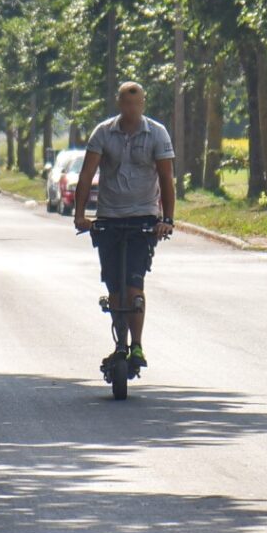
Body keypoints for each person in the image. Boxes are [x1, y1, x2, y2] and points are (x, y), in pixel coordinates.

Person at [73, 81, 175, 369]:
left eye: (136, 103)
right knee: (114, 288)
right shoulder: (103, 133)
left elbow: (166, 178)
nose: (131, 109)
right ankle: (120, 344)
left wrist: (166, 219)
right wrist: (80, 215)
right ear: (119, 104)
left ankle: (137, 345)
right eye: (126, 103)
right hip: (109, 218)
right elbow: (87, 174)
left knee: (133, 285)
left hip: (143, 218)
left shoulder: (157, 133)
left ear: (143, 104)